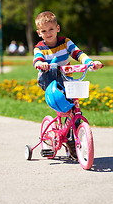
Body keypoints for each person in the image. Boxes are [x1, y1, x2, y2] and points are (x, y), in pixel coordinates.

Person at [33, 11, 103, 159]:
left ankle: (72, 136)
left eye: (51, 29)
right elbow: (37, 58)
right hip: (48, 78)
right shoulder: (39, 47)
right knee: (60, 101)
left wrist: (90, 63)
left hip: (66, 78)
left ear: (57, 28)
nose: (48, 33)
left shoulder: (65, 42)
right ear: (39, 33)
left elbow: (77, 53)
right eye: (44, 31)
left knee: (73, 108)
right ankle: (59, 134)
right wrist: (40, 63)